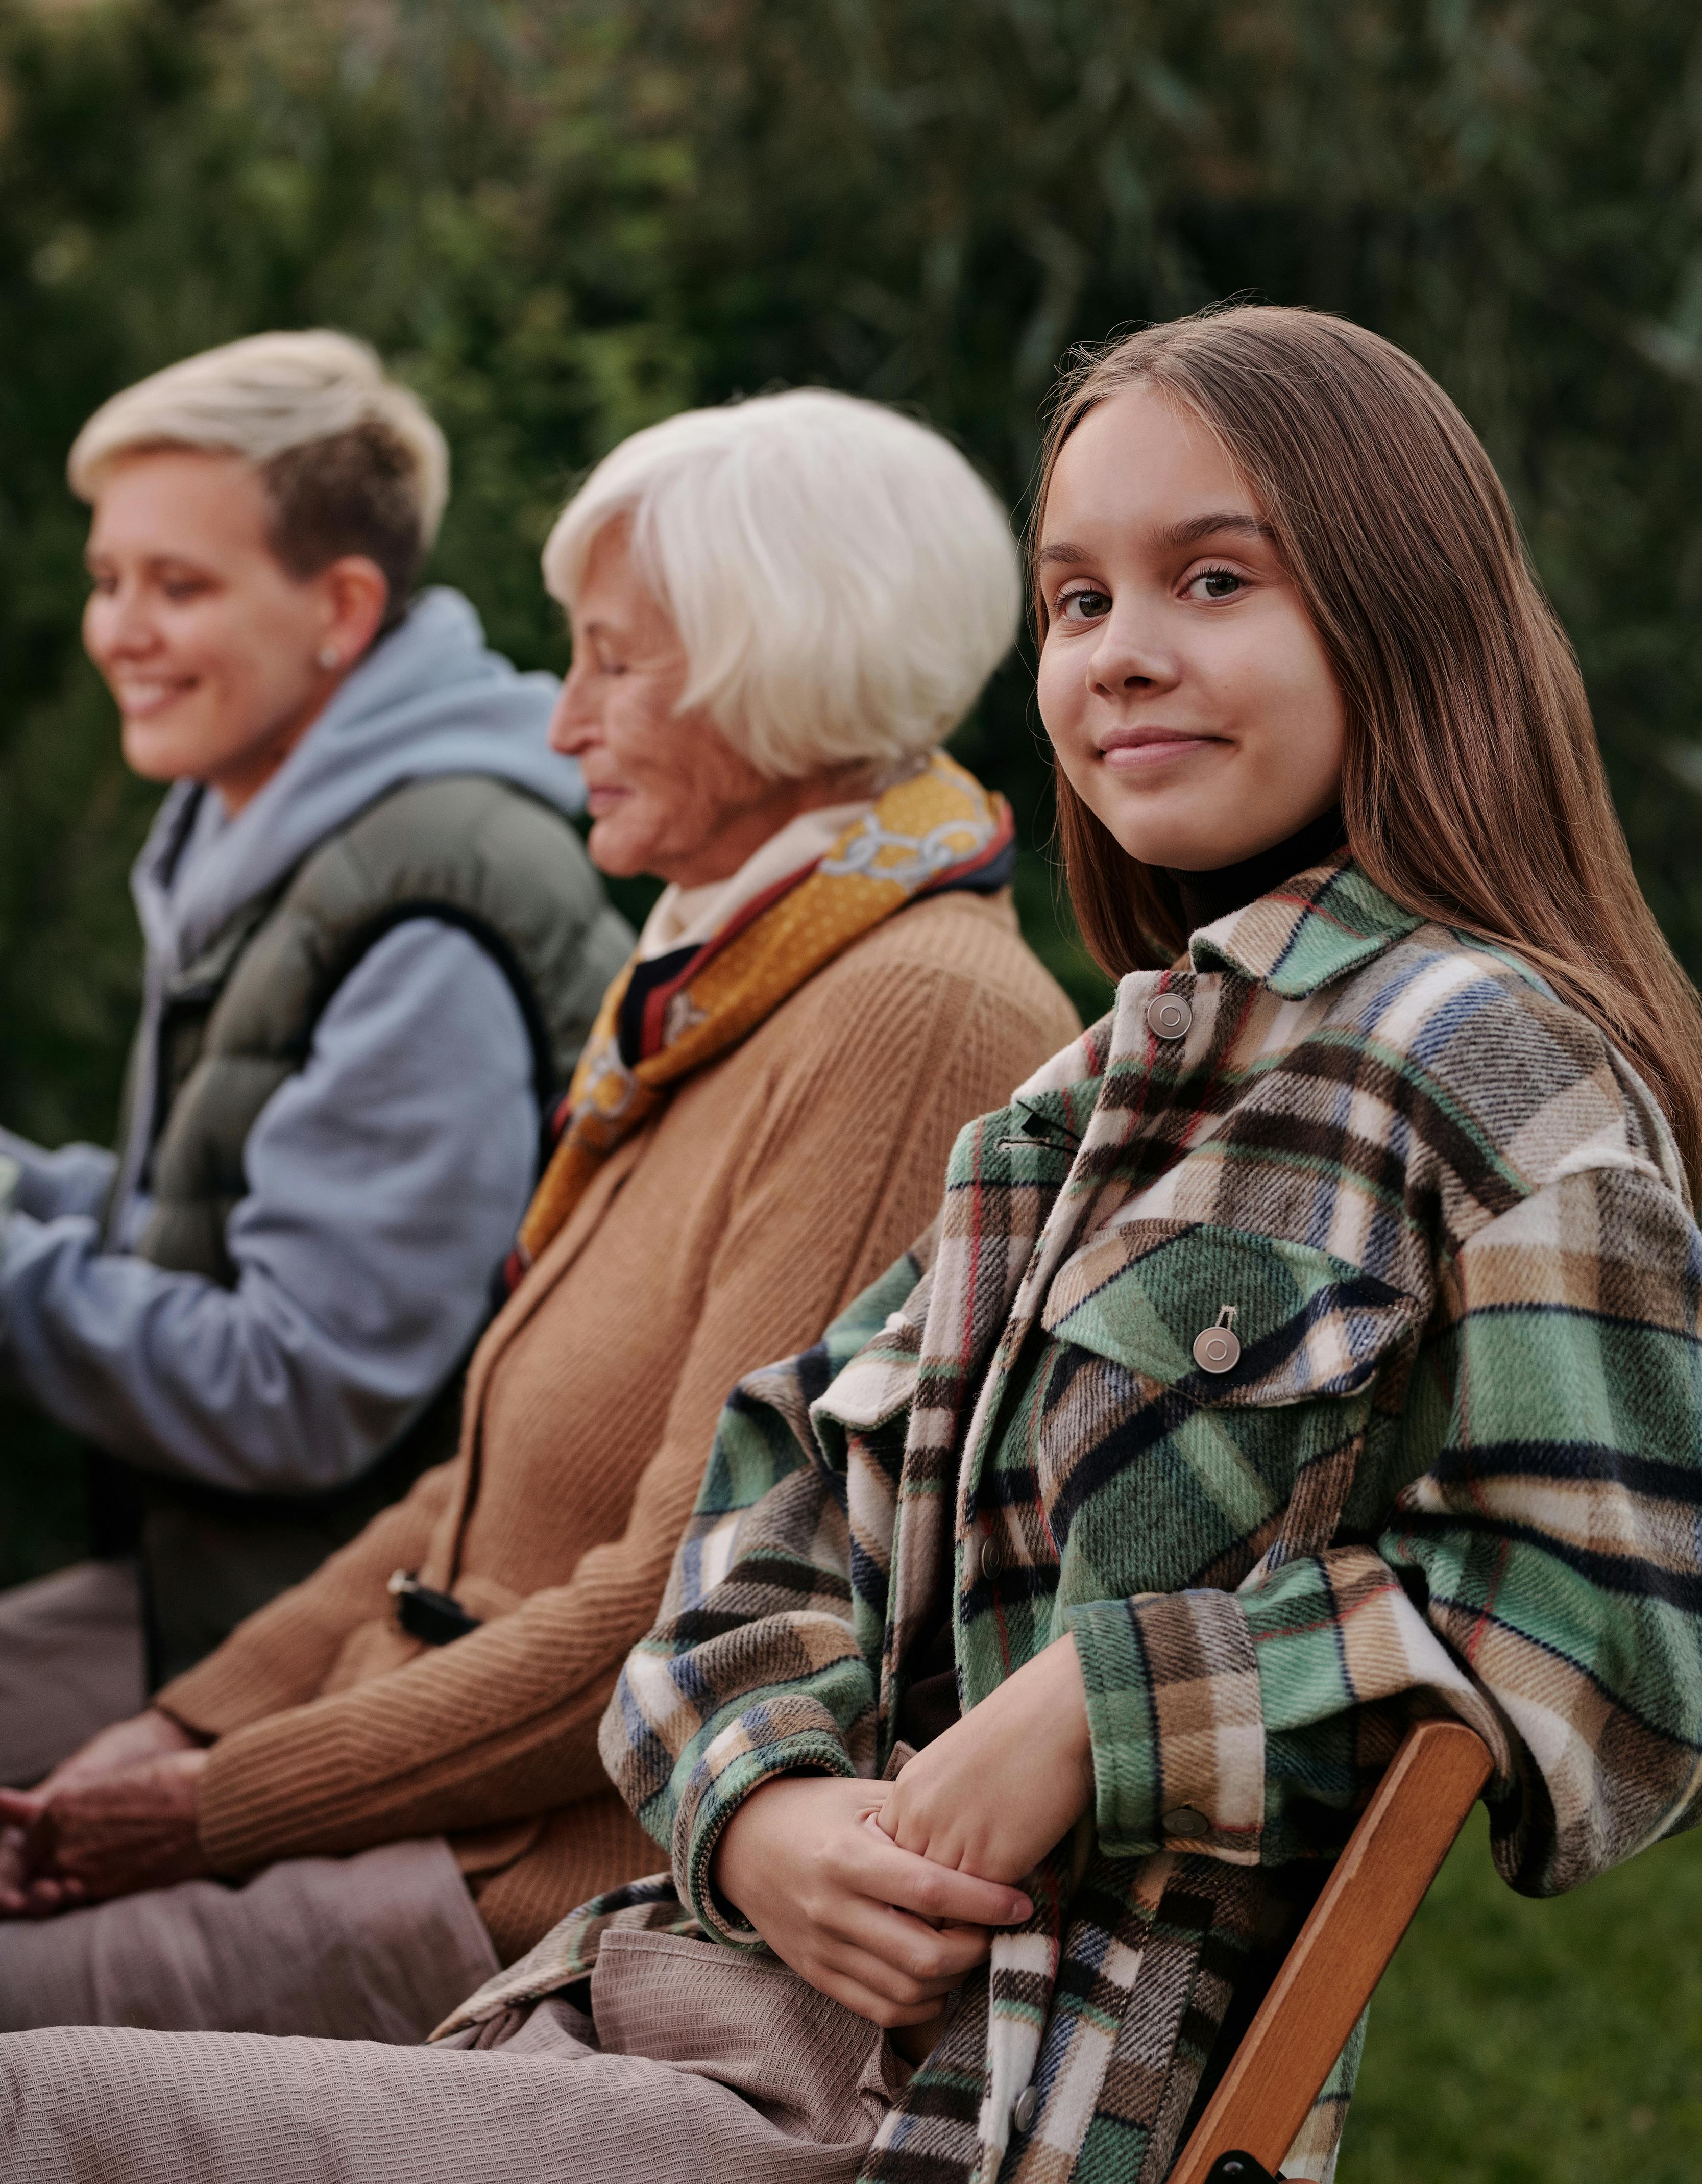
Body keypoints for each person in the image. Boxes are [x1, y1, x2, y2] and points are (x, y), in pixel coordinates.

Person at [6, 305, 1700, 2184]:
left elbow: (1612, 1648)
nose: (1118, 652)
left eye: (1218, 578)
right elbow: (751, 1517)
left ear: (1401, 599)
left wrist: (1103, 1716)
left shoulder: (1491, 1064)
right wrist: (771, 1809)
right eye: (1081, 596)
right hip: (685, 2037)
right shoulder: (1080, 1096)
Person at [0, 385, 1078, 2044]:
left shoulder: (906, 1014)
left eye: (613, 662)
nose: (562, 720)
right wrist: (183, 1727)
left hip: (534, 1888)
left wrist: (207, 1808)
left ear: (773, 667)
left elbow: (668, 1612)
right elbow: (472, 1501)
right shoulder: (725, 966)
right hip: (416, 1791)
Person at [0, 329, 632, 1759]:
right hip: (202, 1587)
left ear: (341, 607)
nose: (118, 631)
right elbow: (218, 1207)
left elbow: (298, 1391)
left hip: (355, 1652)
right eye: (108, 581)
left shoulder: (426, 907)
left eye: (179, 586)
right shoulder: (259, 825)